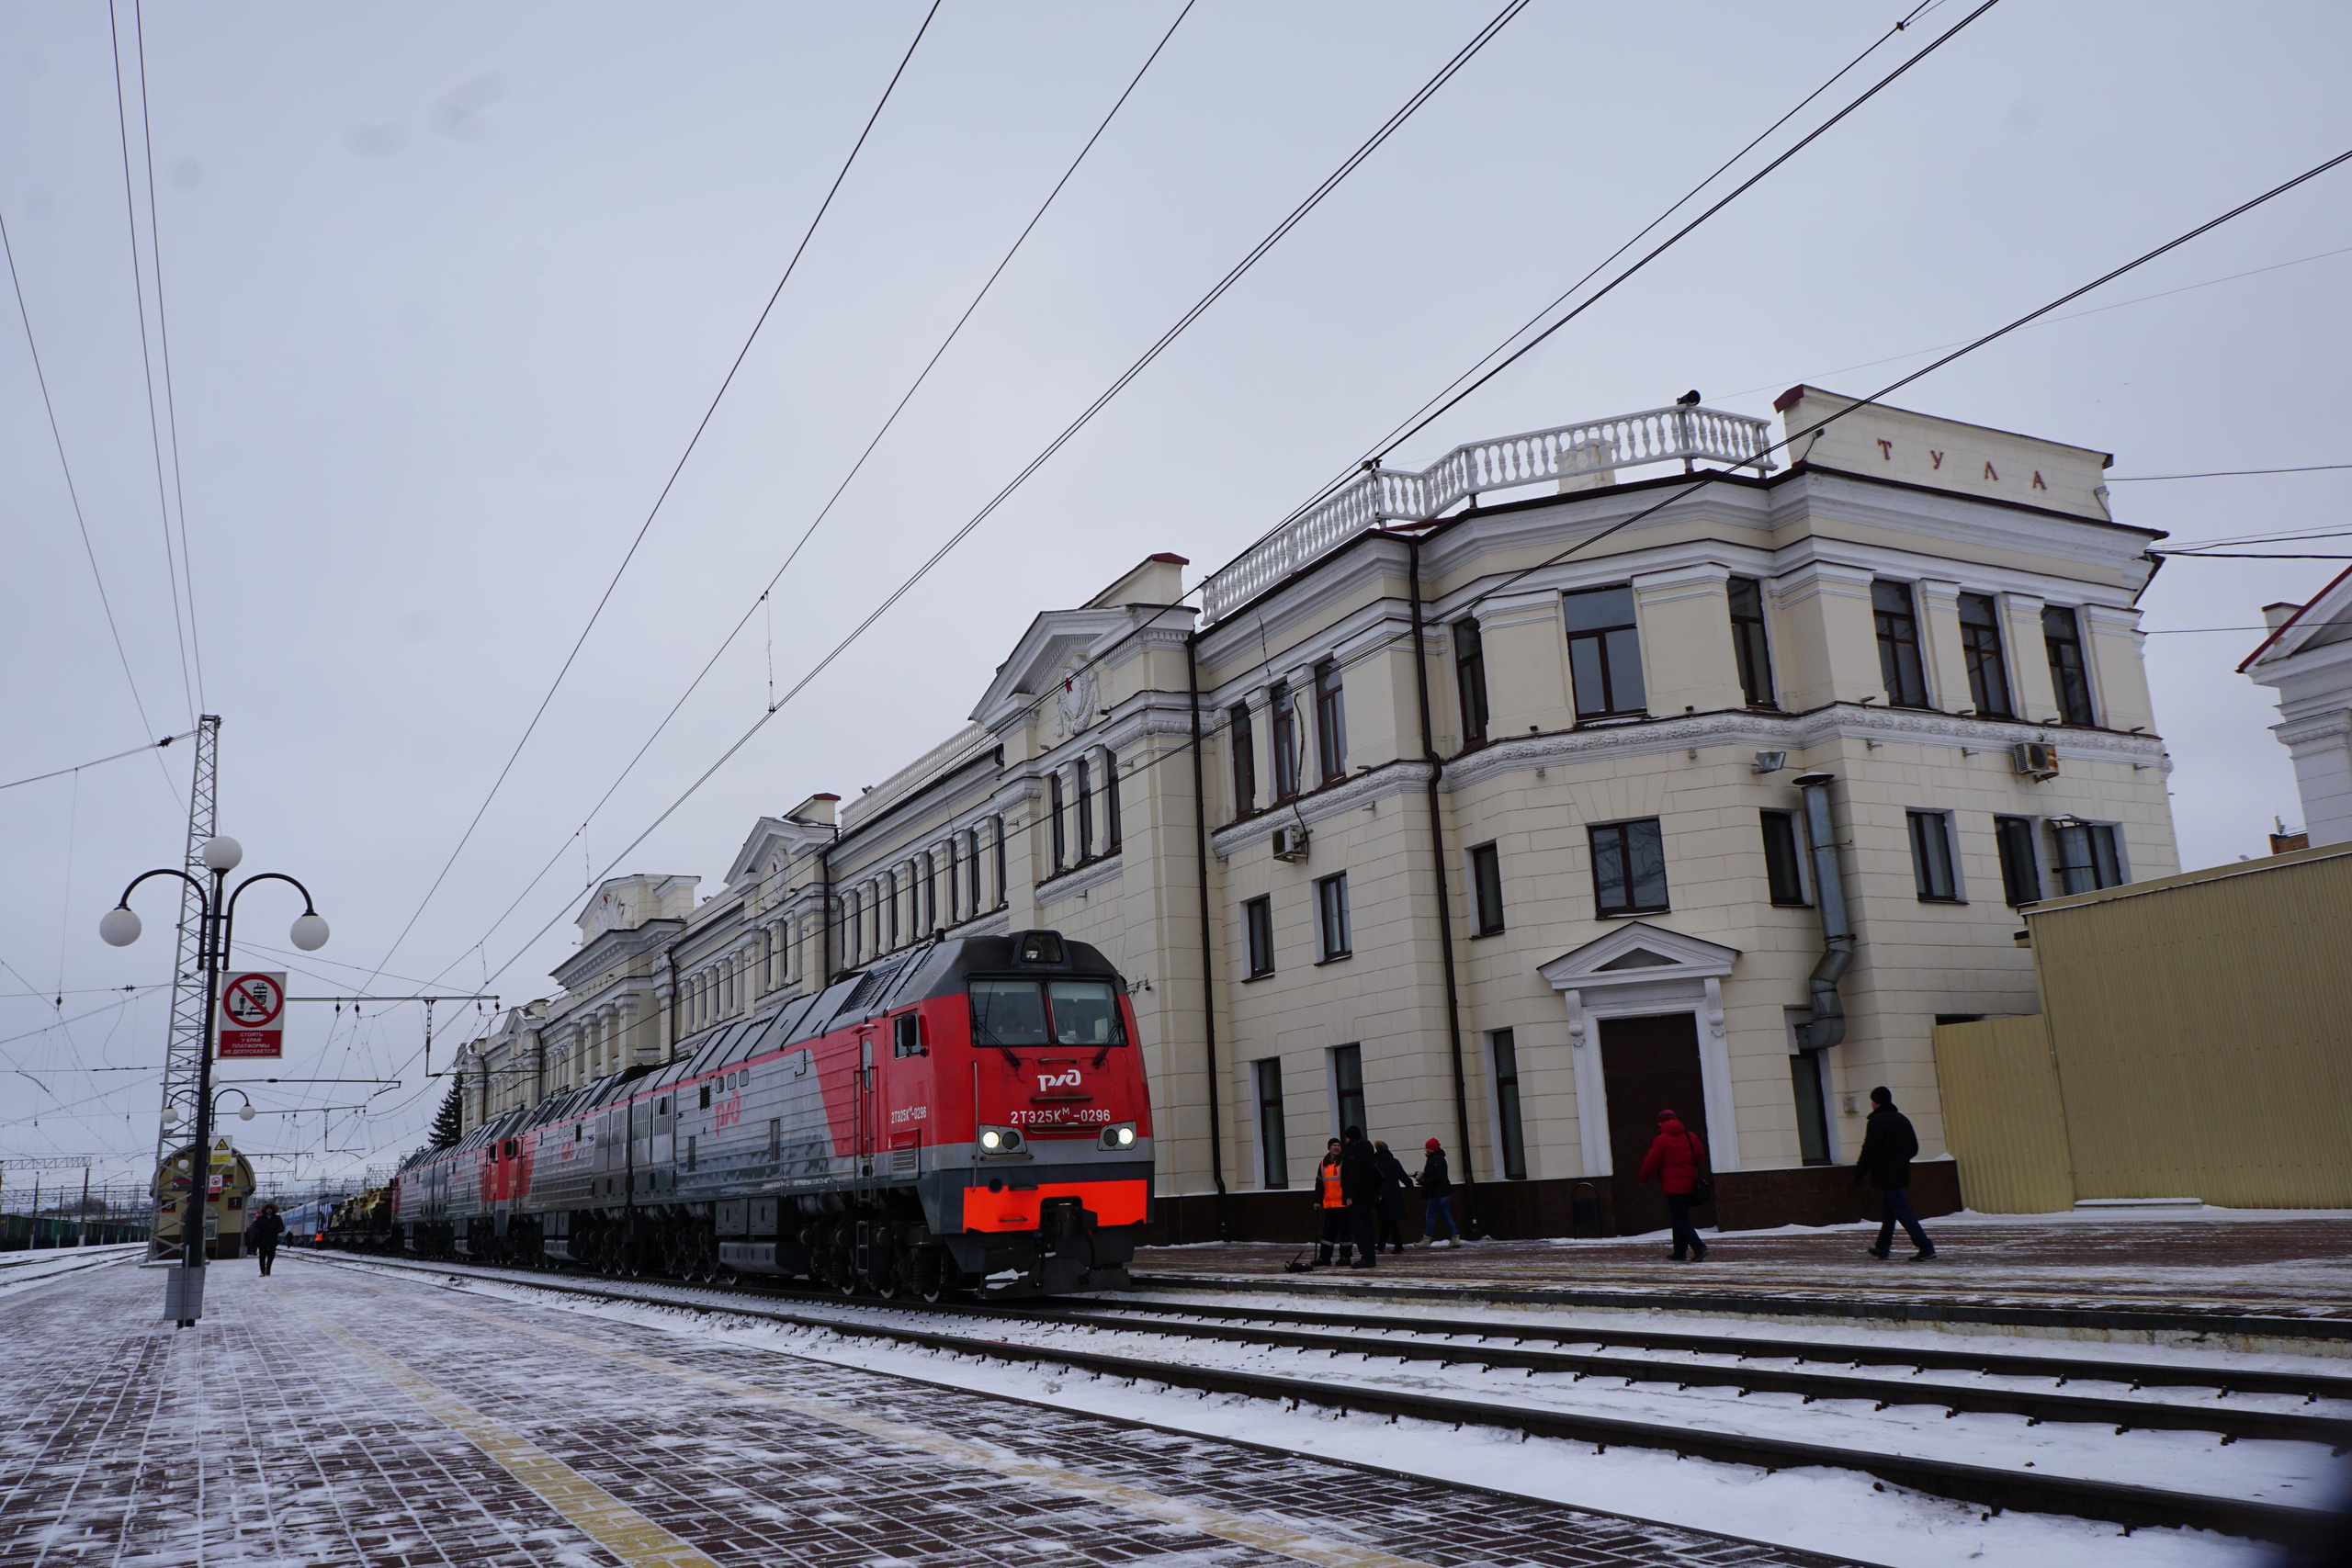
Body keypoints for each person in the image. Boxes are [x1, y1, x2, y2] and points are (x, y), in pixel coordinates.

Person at [1856, 1086, 1936, 1261]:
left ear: (1875, 1102)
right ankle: (1883, 1247)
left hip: (1885, 1173)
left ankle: (1925, 1245)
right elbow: (1913, 1148)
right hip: (1901, 1171)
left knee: (1901, 1210)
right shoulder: (1902, 1119)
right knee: (1889, 1211)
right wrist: (1899, 1160)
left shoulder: (1877, 1121)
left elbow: (1870, 1149)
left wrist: (1859, 1172)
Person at [1637, 1108, 1710, 1262]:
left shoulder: (1662, 1140)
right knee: (1679, 1216)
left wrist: (1643, 1178)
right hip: (1690, 1183)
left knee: (1680, 1217)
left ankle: (1699, 1247)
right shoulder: (1691, 1137)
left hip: (1672, 1186)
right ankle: (1680, 1251)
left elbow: (1650, 1162)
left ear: (1660, 1122)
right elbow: (1700, 1157)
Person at [1339, 1126, 1381, 1269]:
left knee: (1360, 1226)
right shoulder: (1367, 1149)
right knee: (1367, 1225)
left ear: (1349, 1137)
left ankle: (1367, 1256)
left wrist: (1349, 1195)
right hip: (1368, 1194)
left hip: (1358, 1196)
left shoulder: (1354, 1151)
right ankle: (1370, 1255)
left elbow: (1353, 1175)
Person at [1313, 1137, 1351, 1266]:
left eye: (1338, 1145)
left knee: (1345, 1233)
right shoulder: (1323, 1164)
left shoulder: (1344, 1161)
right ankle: (1325, 1257)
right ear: (1329, 1148)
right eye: (1334, 1145)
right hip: (1329, 1204)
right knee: (1328, 1233)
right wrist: (1317, 1201)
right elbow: (1319, 1184)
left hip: (1343, 1204)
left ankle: (1345, 1257)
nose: (1336, 1147)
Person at [1416, 1137, 1460, 1247]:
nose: (1426, 1151)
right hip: (1444, 1191)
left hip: (1437, 1193)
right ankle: (1455, 1237)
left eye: (1428, 1149)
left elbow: (1436, 1177)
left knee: (1430, 1215)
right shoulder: (1438, 1158)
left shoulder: (1435, 1160)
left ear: (1432, 1149)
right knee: (1445, 1214)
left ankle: (1427, 1239)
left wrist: (1424, 1182)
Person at [1371, 1140, 1413, 1254]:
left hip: (1382, 1196)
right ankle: (1382, 1246)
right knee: (1388, 1221)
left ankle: (1397, 1246)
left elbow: (1372, 1181)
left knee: (1389, 1221)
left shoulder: (1375, 1163)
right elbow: (1404, 1178)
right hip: (1395, 1195)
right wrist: (1410, 1185)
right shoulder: (1395, 1162)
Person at [251, 1202, 286, 1277]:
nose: (269, 1210)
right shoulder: (260, 1218)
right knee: (262, 1256)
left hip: (272, 1239)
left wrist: (276, 1231)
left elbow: (282, 1227)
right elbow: (255, 1227)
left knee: (271, 1255)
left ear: (273, 1210)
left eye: (270, 1209)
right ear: (265, 1210)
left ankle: (268, 1268)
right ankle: (262, 1271)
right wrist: (258, 1232)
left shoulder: (277, 1218)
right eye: (268, 1209)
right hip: (262, 1239)